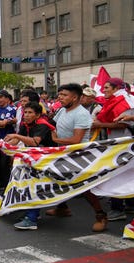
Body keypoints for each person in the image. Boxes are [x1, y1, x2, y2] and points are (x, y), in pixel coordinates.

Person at [49, 83, 108, 232]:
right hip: (63, 153)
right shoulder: (63, 110)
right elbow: (53, 125)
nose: (60, 98)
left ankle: (101, 216)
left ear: (75, 98)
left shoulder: (81, 114)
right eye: (59, 94)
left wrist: (56, 141)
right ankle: (62, 208)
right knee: (58, 180)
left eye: (64, 95)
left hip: (79, 156)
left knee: (84, 188)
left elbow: (76, 139)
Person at [3, 102, 56, 230]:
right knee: (34, 185)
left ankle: (32, 219)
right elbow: (18, 140)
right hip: (35, 159)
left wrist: (15, 136)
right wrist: (6, 144)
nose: (26, 115)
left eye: (30, 113)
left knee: (35, 186)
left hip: (49, 159)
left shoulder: (42, 125)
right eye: (25, 112)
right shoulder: (25, 124)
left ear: (37, 115)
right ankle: (33, 214)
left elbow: (34, 141)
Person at [91, 78, 134, 221]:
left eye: (107, 87)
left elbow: (123, 125)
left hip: (124, 144)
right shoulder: (115, 101)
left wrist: (100, 124)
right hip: (118, 143)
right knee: (125, 174)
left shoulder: (124, 102)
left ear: (116, 88)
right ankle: (129, 204)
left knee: (117, 174)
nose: (103, 90)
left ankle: (118, 209)